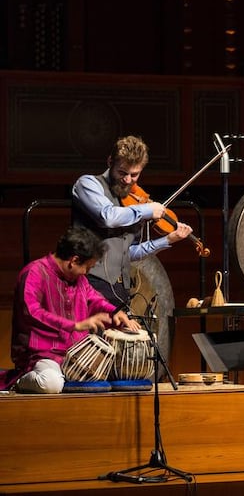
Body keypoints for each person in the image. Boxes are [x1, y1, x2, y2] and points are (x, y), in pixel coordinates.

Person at [1, 226, 140, 393]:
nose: (87, 273)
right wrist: (76, 325)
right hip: (42, 353)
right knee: (51, 384)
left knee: (118, 376)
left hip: (76, 352)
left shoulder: (79, 279)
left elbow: (94, 298)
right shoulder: (34, 273)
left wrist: (114, 312)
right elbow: (32, 311)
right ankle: (17, 381)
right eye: (87, 267)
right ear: (73, 261)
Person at [71, 135, 193, 307]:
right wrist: (147, 210)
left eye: (134, 174)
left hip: (121, 288)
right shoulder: (88, 184)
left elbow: (128, 253)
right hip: (89, 284)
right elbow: (108, 217)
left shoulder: (130, 202)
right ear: (109, 162)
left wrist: (167, 240)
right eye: (122, 172)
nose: (127, 180)